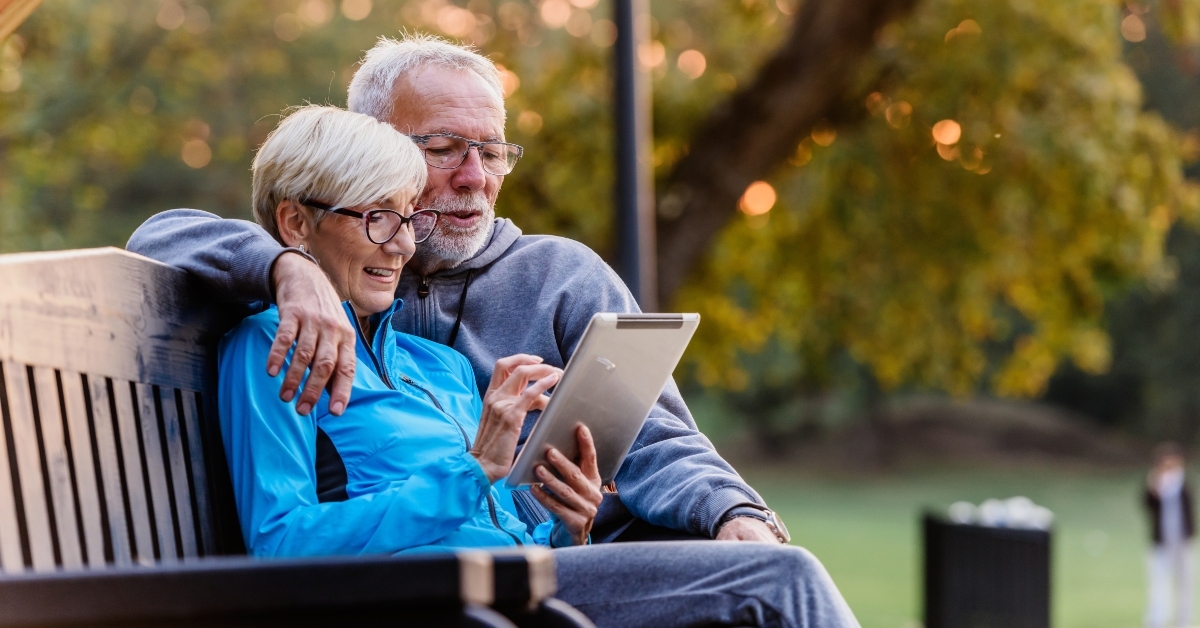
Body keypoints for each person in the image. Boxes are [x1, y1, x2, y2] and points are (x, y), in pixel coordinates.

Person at [220, 103, 858, 627]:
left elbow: (502, 520)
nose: (404, 246)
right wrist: (472, 472)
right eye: (380, 219)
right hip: (436, 601)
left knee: (769, 582)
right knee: (779, 582)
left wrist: (566, 525)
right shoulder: (270, 348)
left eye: (409, 219)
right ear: (296, 222)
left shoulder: (435, 364)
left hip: (523, 589)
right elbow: (282, 544)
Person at [128, 33, 781, 544]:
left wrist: (734, 514)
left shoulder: (558, 277)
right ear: (379, 152)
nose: (475, 176)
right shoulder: (331, 262)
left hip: (584, 555)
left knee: (769, 574)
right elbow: (164, 234)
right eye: (443, 148)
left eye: (491, 151)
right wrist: (286, 269)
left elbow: (655, 435)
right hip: (445, 589)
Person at [1144, 442, 1195, 628]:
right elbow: (1147, 503)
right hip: (1161, 541)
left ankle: (1184, 621)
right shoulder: (1156, 483)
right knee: (1158, 582)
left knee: (1184, 583)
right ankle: (1156, 620)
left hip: (1182, 541)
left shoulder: (1182, 483)